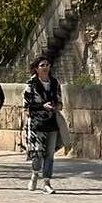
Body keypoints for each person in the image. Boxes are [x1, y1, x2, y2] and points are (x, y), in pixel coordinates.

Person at [22, 57, 63, 194]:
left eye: (47, 64)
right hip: (36, 124)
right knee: (37, 154)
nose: (45, 67)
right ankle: (34, 174)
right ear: (36, 68)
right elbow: (26, 107)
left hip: (51, 123)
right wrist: (41, 106)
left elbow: (60, 101)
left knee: (50, 155)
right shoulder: (31, 84)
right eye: (42, 65)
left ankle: (47, 182)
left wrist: (56, 106)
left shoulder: (55, 83)